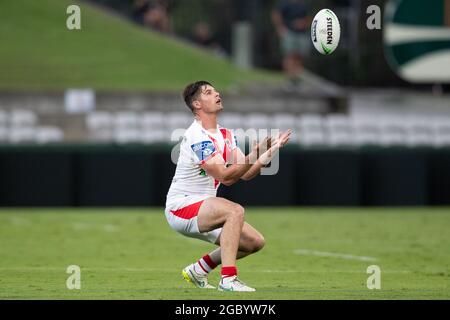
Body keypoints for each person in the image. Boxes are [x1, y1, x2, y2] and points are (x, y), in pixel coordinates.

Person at [164, 81, 291, 292]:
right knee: (235, 211)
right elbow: (226, 177)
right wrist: (255, 153)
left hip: (205, 208)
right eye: (208, 92)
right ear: (196, 104)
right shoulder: (197, 135)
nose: (216, 93)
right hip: (182, 207)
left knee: (254, 242)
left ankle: (199, 269)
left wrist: (270, 150)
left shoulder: (226, 135)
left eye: (215, 90)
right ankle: (228, 280)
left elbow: (247, 173)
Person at [272, 0, 312, 86]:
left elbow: (308, 18)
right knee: (289, 55)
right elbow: (276, 14)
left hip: (302, 34)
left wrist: (303, 23)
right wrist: (280, 28)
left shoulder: (304, 4)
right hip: (289, 33)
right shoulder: (284, 3)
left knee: (300, 56)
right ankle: (290, 78)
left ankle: (297, 78)